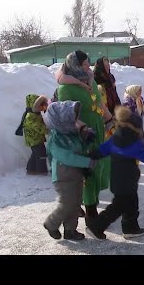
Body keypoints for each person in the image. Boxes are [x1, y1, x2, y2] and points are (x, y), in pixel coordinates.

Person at [85, 106, 144, 240]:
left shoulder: (115, 138)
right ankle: (96, 226)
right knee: (118, 206)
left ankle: (130, 228)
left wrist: (89, 156)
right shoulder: (132, 142)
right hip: (127, 181)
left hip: (118, 180)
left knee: (131, 203)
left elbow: (101, 151)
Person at [57, 50, 111, 223]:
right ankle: (90, 211)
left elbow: (99, 103)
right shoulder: (66, 89)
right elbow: (68, 116)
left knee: (98, 168)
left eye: (88, 63)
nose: (89, 67)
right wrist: (81, 130)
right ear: (75, 65)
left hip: (97, 131)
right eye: (85, 64)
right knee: (87, 171)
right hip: (82, 136)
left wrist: (109, 118)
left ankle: (85, 203)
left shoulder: (90, 79)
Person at [42, 101, 97, 241]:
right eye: (72, 119)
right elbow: (67, 157)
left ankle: (70, 230)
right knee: (67, 204)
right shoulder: (56, 140)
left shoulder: (71, 134)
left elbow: (79, 149)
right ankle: (51, 223)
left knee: (76, 204)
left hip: (76, 175)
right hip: (63, 176)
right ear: (62, 121)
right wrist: (87, 162)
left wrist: (88, 139)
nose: (75, 121)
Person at [21, 94, 49, 175]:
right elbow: (38, 127)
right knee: (41, 154)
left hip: (36, 139)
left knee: (35, 154)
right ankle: (41, 171)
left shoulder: (35, 114)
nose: (42, 108)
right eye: (41, 105)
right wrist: (47, 131)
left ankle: (31, 169)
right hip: (34, 139)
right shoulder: (30, 116)